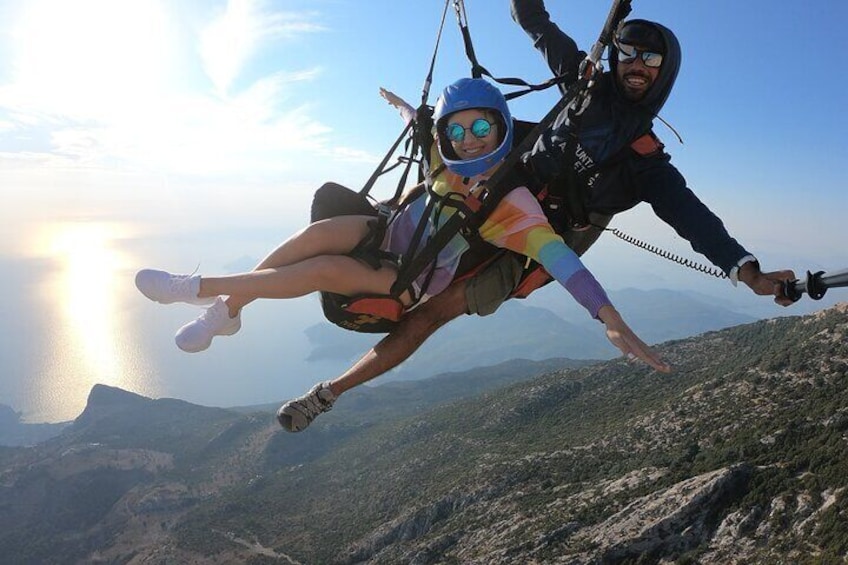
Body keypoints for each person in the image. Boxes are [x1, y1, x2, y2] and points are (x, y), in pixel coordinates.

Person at [275, 0, 796, 433]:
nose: (636, 64)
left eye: (650, 59)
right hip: (499, 178)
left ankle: (327, 392)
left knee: (434, 313)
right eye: (628, 53)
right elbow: (533, 20)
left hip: (542, 239)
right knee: (419, 198)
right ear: (616, 56)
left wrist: (747, 271)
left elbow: (695, 219)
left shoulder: (647, 162)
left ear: (666, 70)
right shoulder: (583, 81)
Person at [135, 78, 667, 423]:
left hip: (406, 275)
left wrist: (608, 314)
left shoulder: (512, 202)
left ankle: (194, 287)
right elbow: (429, 137)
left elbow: (558, 258)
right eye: (458, 131)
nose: (470, 139)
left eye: (482, 127)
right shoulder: (447, 160)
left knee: (321, 268)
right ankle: (227, 312)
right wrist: (413, 112)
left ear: (502, 129)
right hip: (387, 233)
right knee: (314, 238)